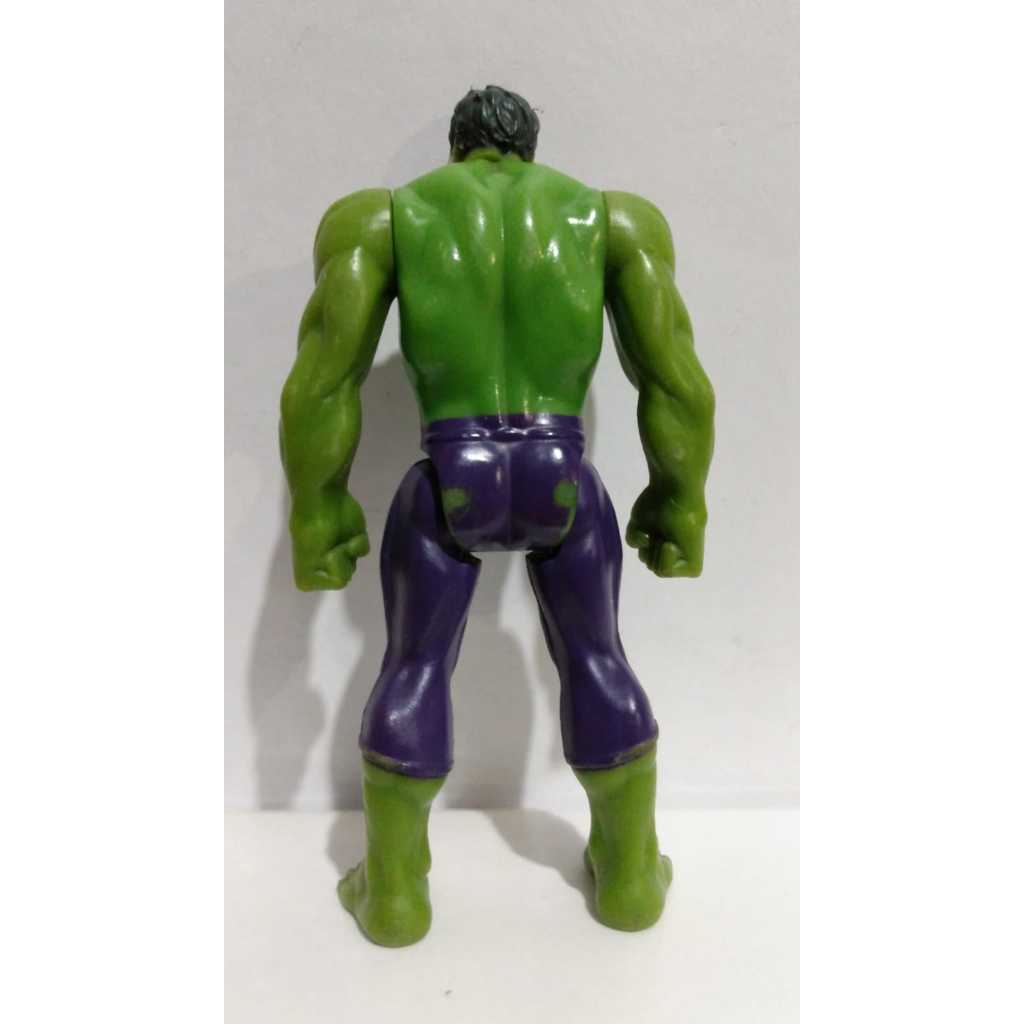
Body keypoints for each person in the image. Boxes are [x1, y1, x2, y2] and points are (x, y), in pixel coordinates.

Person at [279, 84, 715, 946]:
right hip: (562, 473)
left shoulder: (381, 220)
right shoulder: (613, 221)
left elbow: (321, 382)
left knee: (411, 665)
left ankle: (395, 896)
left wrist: (318, 507)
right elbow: (675, 380)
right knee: (598, 656)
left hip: (449, 473)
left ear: (457, 147)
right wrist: (680, 497)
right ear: (530, 149)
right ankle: (630, 879)